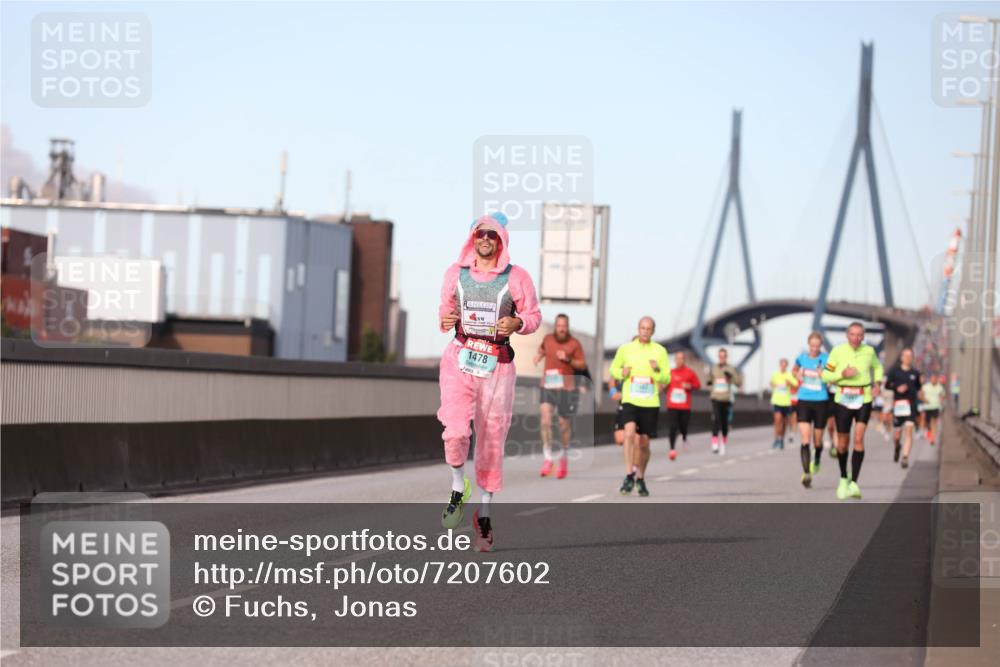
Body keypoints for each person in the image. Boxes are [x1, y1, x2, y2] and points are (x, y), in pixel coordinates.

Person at [437, 212, 541, 551]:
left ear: (501, 240)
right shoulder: (455, 274)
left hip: (497, 365)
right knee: (455, 432)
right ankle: (457, 485)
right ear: (472, 238)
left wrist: (518, 323)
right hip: (460, 358)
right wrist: (447, 318)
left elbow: (534, 316)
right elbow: (444, 311)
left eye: (493, 235)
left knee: (491, 441)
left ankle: (484, 515)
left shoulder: (517, 277)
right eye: (481, 234)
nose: (486, 240)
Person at [609, 317, 671, 497]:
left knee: (644, 443)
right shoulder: (625, 349)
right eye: (642, 328)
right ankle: (629, 474)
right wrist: (622, 373)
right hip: (630, 399)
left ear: (653, 331)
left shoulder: (660, 351)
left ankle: (641, 478)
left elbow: (667, 378)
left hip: (650, 401)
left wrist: (657, 370)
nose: (645, 331)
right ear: (638, 329)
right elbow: (613, 369)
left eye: (648, 329)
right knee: (628, 433)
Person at [822, 321, 884, 501]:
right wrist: (843, 374)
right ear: (846, 335)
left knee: (859, 438)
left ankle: (854, 482)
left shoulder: (869, 351)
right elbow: (826, 375)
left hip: (863, 397)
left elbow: (878, 367)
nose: (856, 338)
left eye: (859, 335)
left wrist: (878, 383)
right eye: (853, 334)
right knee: (842, 443)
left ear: (863, 336)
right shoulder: (837, 351)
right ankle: (843, 477)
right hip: (842, 399)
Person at [532, 314, 587, 479]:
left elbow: (582, 365)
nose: (561, 329)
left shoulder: (574, 344)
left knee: (564, 424)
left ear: (567, 327)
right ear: (555, 326)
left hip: (566, 388)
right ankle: (548, 458)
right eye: (559, 326)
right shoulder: (548, 339)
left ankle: (563, 456)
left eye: (564, 326)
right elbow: (542, 349)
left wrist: (568, 358)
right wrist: (538, 356)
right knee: (545, 419)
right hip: (548, 385)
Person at [792, 332, 830, 488]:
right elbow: (793, 370)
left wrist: (824, 374)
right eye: (812, 346)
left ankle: (818, 457)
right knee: (805, 438)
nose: (814, 349)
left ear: (820, 345)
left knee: (818, 440)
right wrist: (797, 374)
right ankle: (806, 473)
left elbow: (832, 377)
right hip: (804, 400)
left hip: (821, 401)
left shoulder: (826, 359)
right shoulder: (802, 358)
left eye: (817, 346)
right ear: (808, 345)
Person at [883, 348, 922, 469]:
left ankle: (905, 457)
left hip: (911, 406)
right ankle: (897, 447)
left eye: (910, 356)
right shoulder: (894, 371)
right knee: (897, 435)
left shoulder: (915, 373)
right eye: (906, 355)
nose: (908, 358)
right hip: (899, 406)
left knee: (909, 430)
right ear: (901, 357)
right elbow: (887, 385)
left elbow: (918, 388)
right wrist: (896, 388)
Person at [664, 351, 701, 459]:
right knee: (672, 427)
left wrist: (690, 385)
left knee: (683, 425)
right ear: (675, 360)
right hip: (672, 405)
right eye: (677, 358)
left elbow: (698, 385)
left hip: (685, 405)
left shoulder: (690, 372)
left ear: (684, 360)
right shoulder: (670, 372)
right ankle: (672, 449)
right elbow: (664, 387)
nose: (679, 360)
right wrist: (664, 386)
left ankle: (684, 437)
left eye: (681, 358)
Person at [706, 348, 742, 455]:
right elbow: (709, 380)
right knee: (715, 419)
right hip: (715, 397)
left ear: (726, 357)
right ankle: (715, 443)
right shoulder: (713, 368)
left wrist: (730, 378)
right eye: (720, 356)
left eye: (724, 356)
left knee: (724, 423)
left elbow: (738, 383)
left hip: (726, 399)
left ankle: (723, 443)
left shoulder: (731, 368)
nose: (722, 358)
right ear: (718, 357)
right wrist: (709, 382)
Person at [769, 358, 798, 450]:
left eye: (785, 365)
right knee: (777, 420)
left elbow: (796, 384)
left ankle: (781, 439)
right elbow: (771, 383)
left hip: (786, 402)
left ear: (787, 366)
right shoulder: (775, 374)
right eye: (782, 364)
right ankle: (776, 438)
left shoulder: (789, 375)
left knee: (784, 422)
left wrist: (790, 383)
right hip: (777, 401)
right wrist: (774, 385)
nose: (783, 366)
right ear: (779, 365)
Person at [921, 374, 946, 445]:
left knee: (934, 422)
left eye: (935, 379)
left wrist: (941, 400)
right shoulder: (925, 386)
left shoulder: (939, 387)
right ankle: (928, 430)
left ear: (936, 379)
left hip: (935, 406)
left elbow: (943, 395)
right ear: (930, 379)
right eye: (932, 379)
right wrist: (924, 399)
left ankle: (932, 438)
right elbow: (921, 394)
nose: (933, 380)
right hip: (927, 407)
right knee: (926, 423)